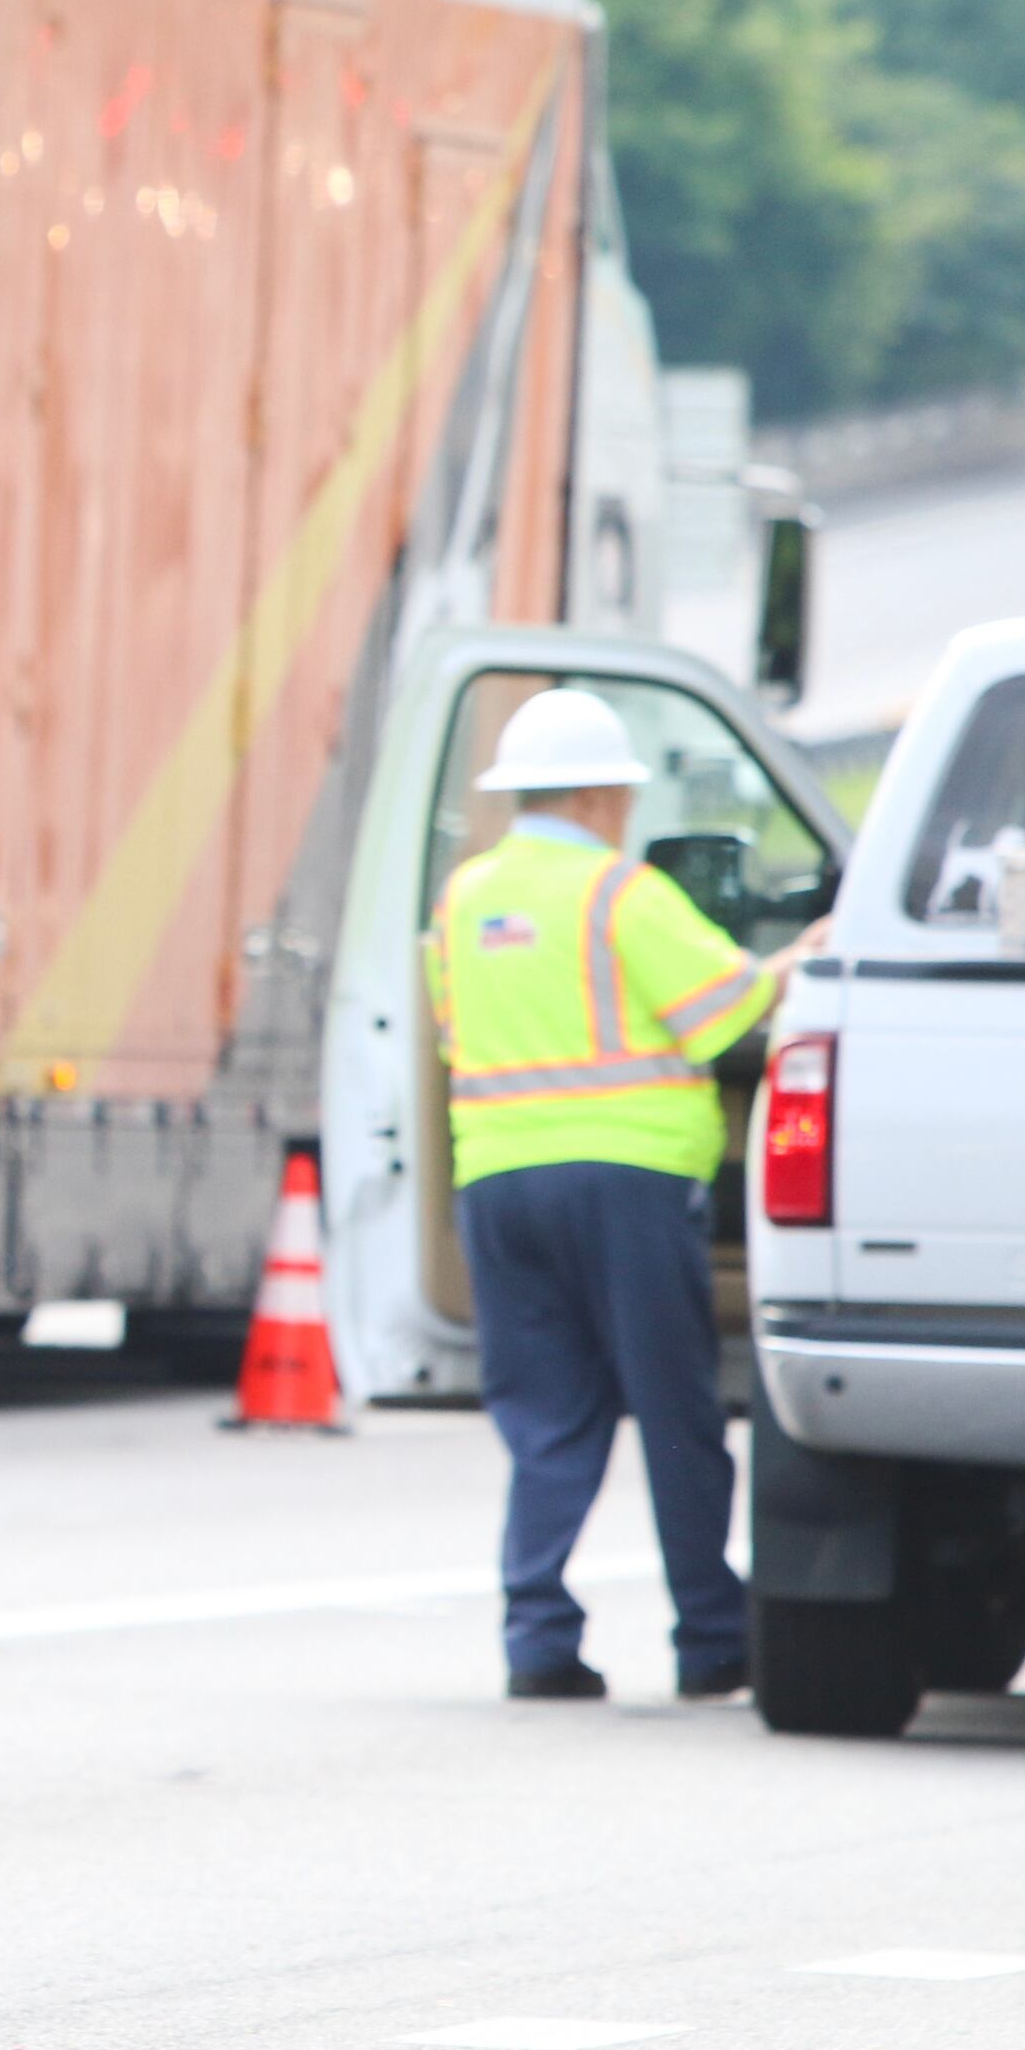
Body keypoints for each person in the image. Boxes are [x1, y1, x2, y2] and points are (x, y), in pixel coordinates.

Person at [424, 687, 820, 1703]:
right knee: (673, 1407)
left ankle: (539, 1637)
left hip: (498, 1182)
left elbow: (451, 1026)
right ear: (602, 793)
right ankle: (710, 1635)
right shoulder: (619, 893)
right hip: (627, 1182)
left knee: (546, 1413)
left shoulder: (463, 900)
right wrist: (800, 957)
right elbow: (725, 1006)